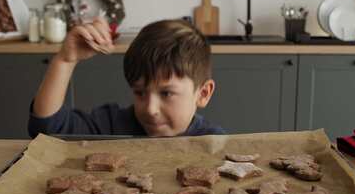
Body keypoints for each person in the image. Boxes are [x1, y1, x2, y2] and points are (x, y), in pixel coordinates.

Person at [28, 17, 225, 138]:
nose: (150, 109)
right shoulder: (112, 125)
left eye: (166, 93)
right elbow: (48, 130)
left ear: (203, 93)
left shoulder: (213, 143)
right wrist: (64, 61)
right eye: (140, 93)